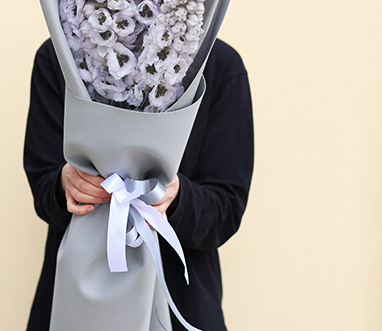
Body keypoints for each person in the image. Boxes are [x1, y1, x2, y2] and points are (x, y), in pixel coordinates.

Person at [23, 37, 254, 331]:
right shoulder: (62, 55)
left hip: (182, 304)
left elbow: (226, 209)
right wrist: (65, 184)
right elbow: (42, 182)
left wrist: (176, 198)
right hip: (77, 303)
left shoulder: (220, 65)